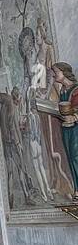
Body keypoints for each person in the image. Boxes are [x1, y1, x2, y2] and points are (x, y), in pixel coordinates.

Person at [51, 63, 78, 196]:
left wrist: (75, 116)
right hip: (66, 128)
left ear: (64, 73)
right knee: (69, 157)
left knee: (75, 156)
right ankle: (76, 189)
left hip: (76, 129)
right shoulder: (63, 90)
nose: (54, 74)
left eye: (56, 71)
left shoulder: (76, 90)